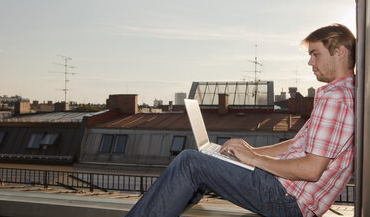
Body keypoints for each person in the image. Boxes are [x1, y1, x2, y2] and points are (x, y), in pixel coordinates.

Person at [126, 24, 355, 217]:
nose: (310, 63)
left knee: (190, 163)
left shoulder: (336, 99)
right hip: (285, 189)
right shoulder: (343, 93)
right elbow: (296, 145)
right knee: (203, 164)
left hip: (288, 199)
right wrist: (250, 153)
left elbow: (311, 170)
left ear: (340, 52)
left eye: (316, 54)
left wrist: (254, 159)